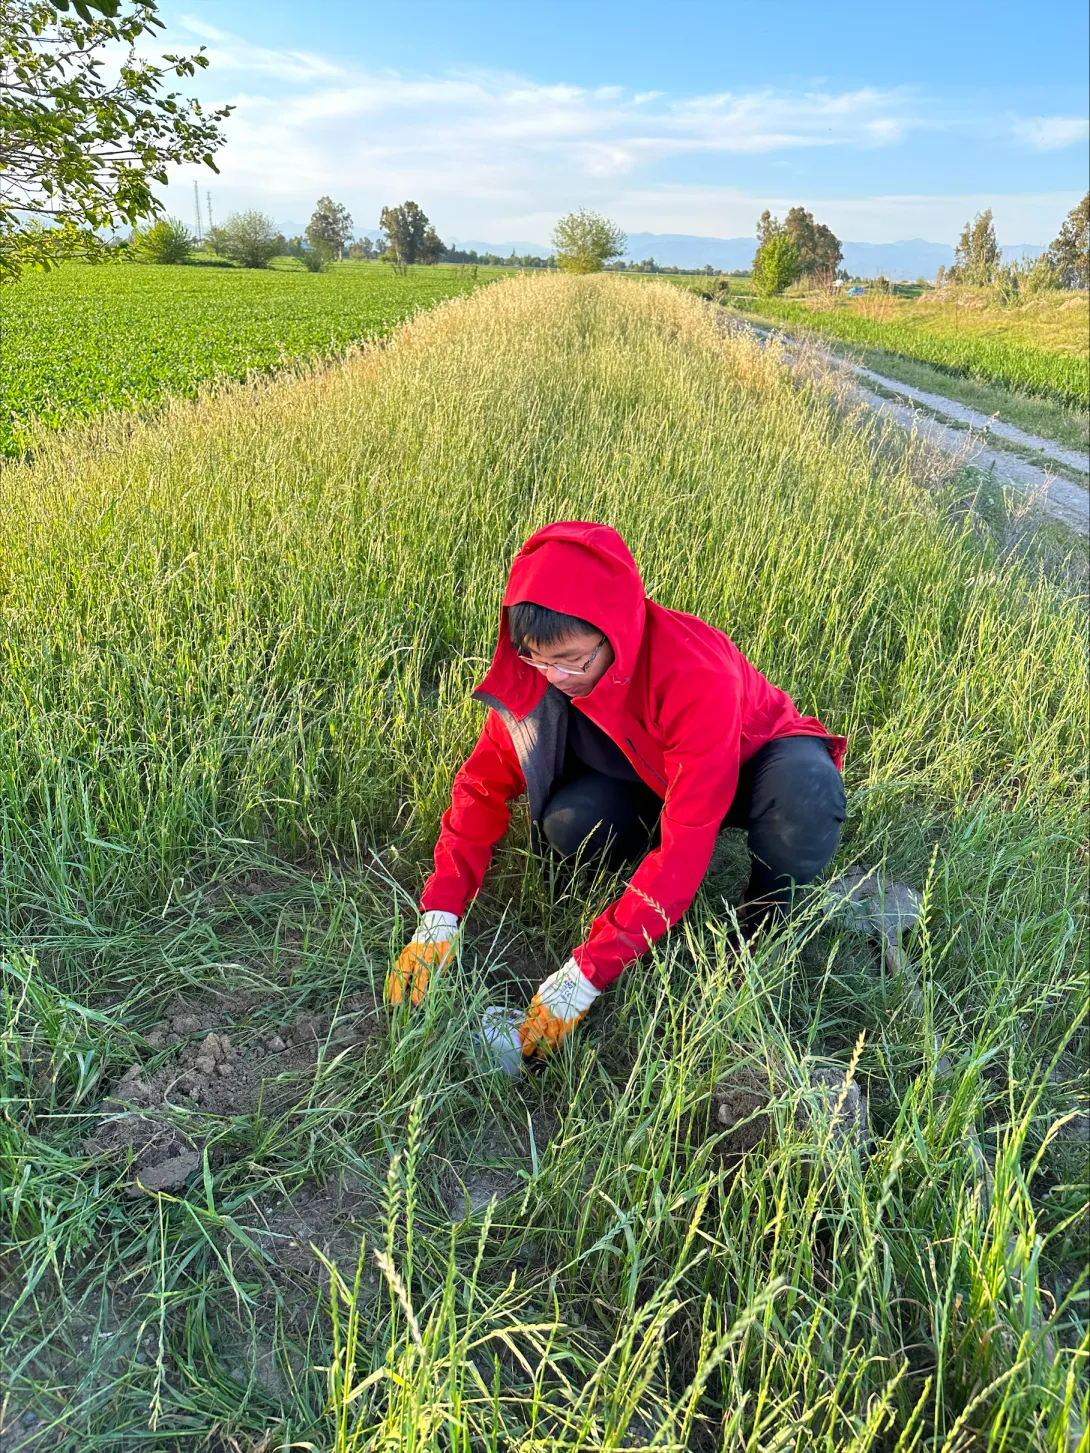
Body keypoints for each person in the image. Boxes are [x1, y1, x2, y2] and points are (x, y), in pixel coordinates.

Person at [386, 522, 847, 1061]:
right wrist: (439, 917)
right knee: (569, 826)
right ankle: (634, 871)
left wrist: (584, 976)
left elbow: (686, 849)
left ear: (617, 631)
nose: (554, 676)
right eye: (537, 657)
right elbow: (480, 787)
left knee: (805, 797)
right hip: (647, 771)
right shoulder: (539, 672)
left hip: (750, 763)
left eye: (573, 660)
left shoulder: (695, 675)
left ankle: (762, 920)